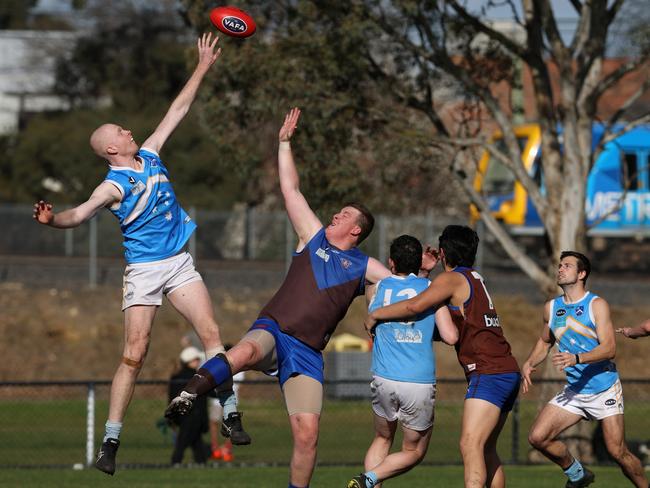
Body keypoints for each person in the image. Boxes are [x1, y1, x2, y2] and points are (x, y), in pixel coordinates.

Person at [32, 33, 249, 475]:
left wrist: (203, 65)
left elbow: (178, 110)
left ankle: (230, 415)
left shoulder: (150, 155)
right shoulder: (112, 185)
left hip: (179, 263)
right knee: (135, 352)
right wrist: (53, 220)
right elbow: (78, 215)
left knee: (212, 335)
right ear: (112, 149)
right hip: (146, 270)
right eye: (121, 132)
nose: (130, 131)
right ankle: (110, 441)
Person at [165, 107, 398, 488]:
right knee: (245, 352)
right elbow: (291, 189)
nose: (336, 215)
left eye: (345, 215)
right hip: (276, 327)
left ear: (357, 230)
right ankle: (190, 394)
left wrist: (420, 273)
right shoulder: (314, 235)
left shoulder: (364, 265)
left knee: (307, 436)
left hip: (307, 352)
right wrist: (284, 143)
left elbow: (400, 287)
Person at [364, 225, 521, 488]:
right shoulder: (473, 277)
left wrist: (376, 314)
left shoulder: (450, 280)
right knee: (486, 449)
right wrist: (425, 274)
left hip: (487, 370)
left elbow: (415, 304)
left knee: (469, 444)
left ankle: (369, 478)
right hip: (507, 367)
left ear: (444, 253)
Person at [522, 251, 648, 488]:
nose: (560, 269)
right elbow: (544, 341)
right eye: (560, 265)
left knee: (617, 452)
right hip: (575, 391)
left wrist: (577, 358)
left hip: (604, 388)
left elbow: (609, 348)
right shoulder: (552, 308)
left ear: (582, 274)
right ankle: (578, 474)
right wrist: (529, 363)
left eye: (567, 266)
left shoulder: (596, 304)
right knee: (538, 437)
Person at [347, 235, 458, 488]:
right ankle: (369, 478)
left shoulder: (378, 287)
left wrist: (421, 272)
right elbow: (451, 336)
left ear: (391, 262)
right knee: (414, 452)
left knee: (382, 438)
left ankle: (369, 481)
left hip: (383, 377)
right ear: (418, 260)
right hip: (417, 381)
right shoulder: (431, 291)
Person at [169, 347, 209, 465]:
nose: (198, 362)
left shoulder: (176, 377)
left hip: (182, 415)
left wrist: (172, 416)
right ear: (190, 361)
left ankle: (201, 461)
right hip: (194, 415)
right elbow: (202, 400)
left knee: (195, 441)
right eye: (196, 360)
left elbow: (171, 398)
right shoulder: (197, 378)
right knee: (183, 441)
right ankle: (176, 461)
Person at [208, 344, 246, 462]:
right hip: (219, 400)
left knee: (229, 426)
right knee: (217, 423)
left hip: (227, 401)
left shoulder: (235, 367)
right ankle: (217, 449)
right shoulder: (228, 366)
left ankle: (224, 449)